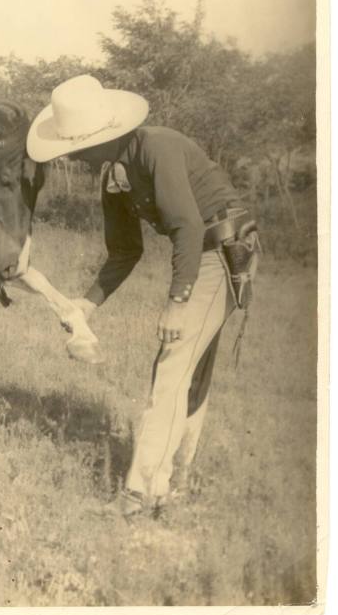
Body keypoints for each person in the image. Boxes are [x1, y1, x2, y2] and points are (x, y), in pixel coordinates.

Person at [27, 75, 259, 518]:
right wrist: (87, 303)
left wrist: (177, 301)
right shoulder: (113, 176)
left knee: (171, 366)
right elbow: (125, 251)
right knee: (186, 372)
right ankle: (170, 486)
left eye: (75, 147)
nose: (72, 157)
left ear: (101, 137)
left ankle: (138, 493)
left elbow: (188, 227)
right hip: (201, 251)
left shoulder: (157, 147)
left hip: (222, 251)